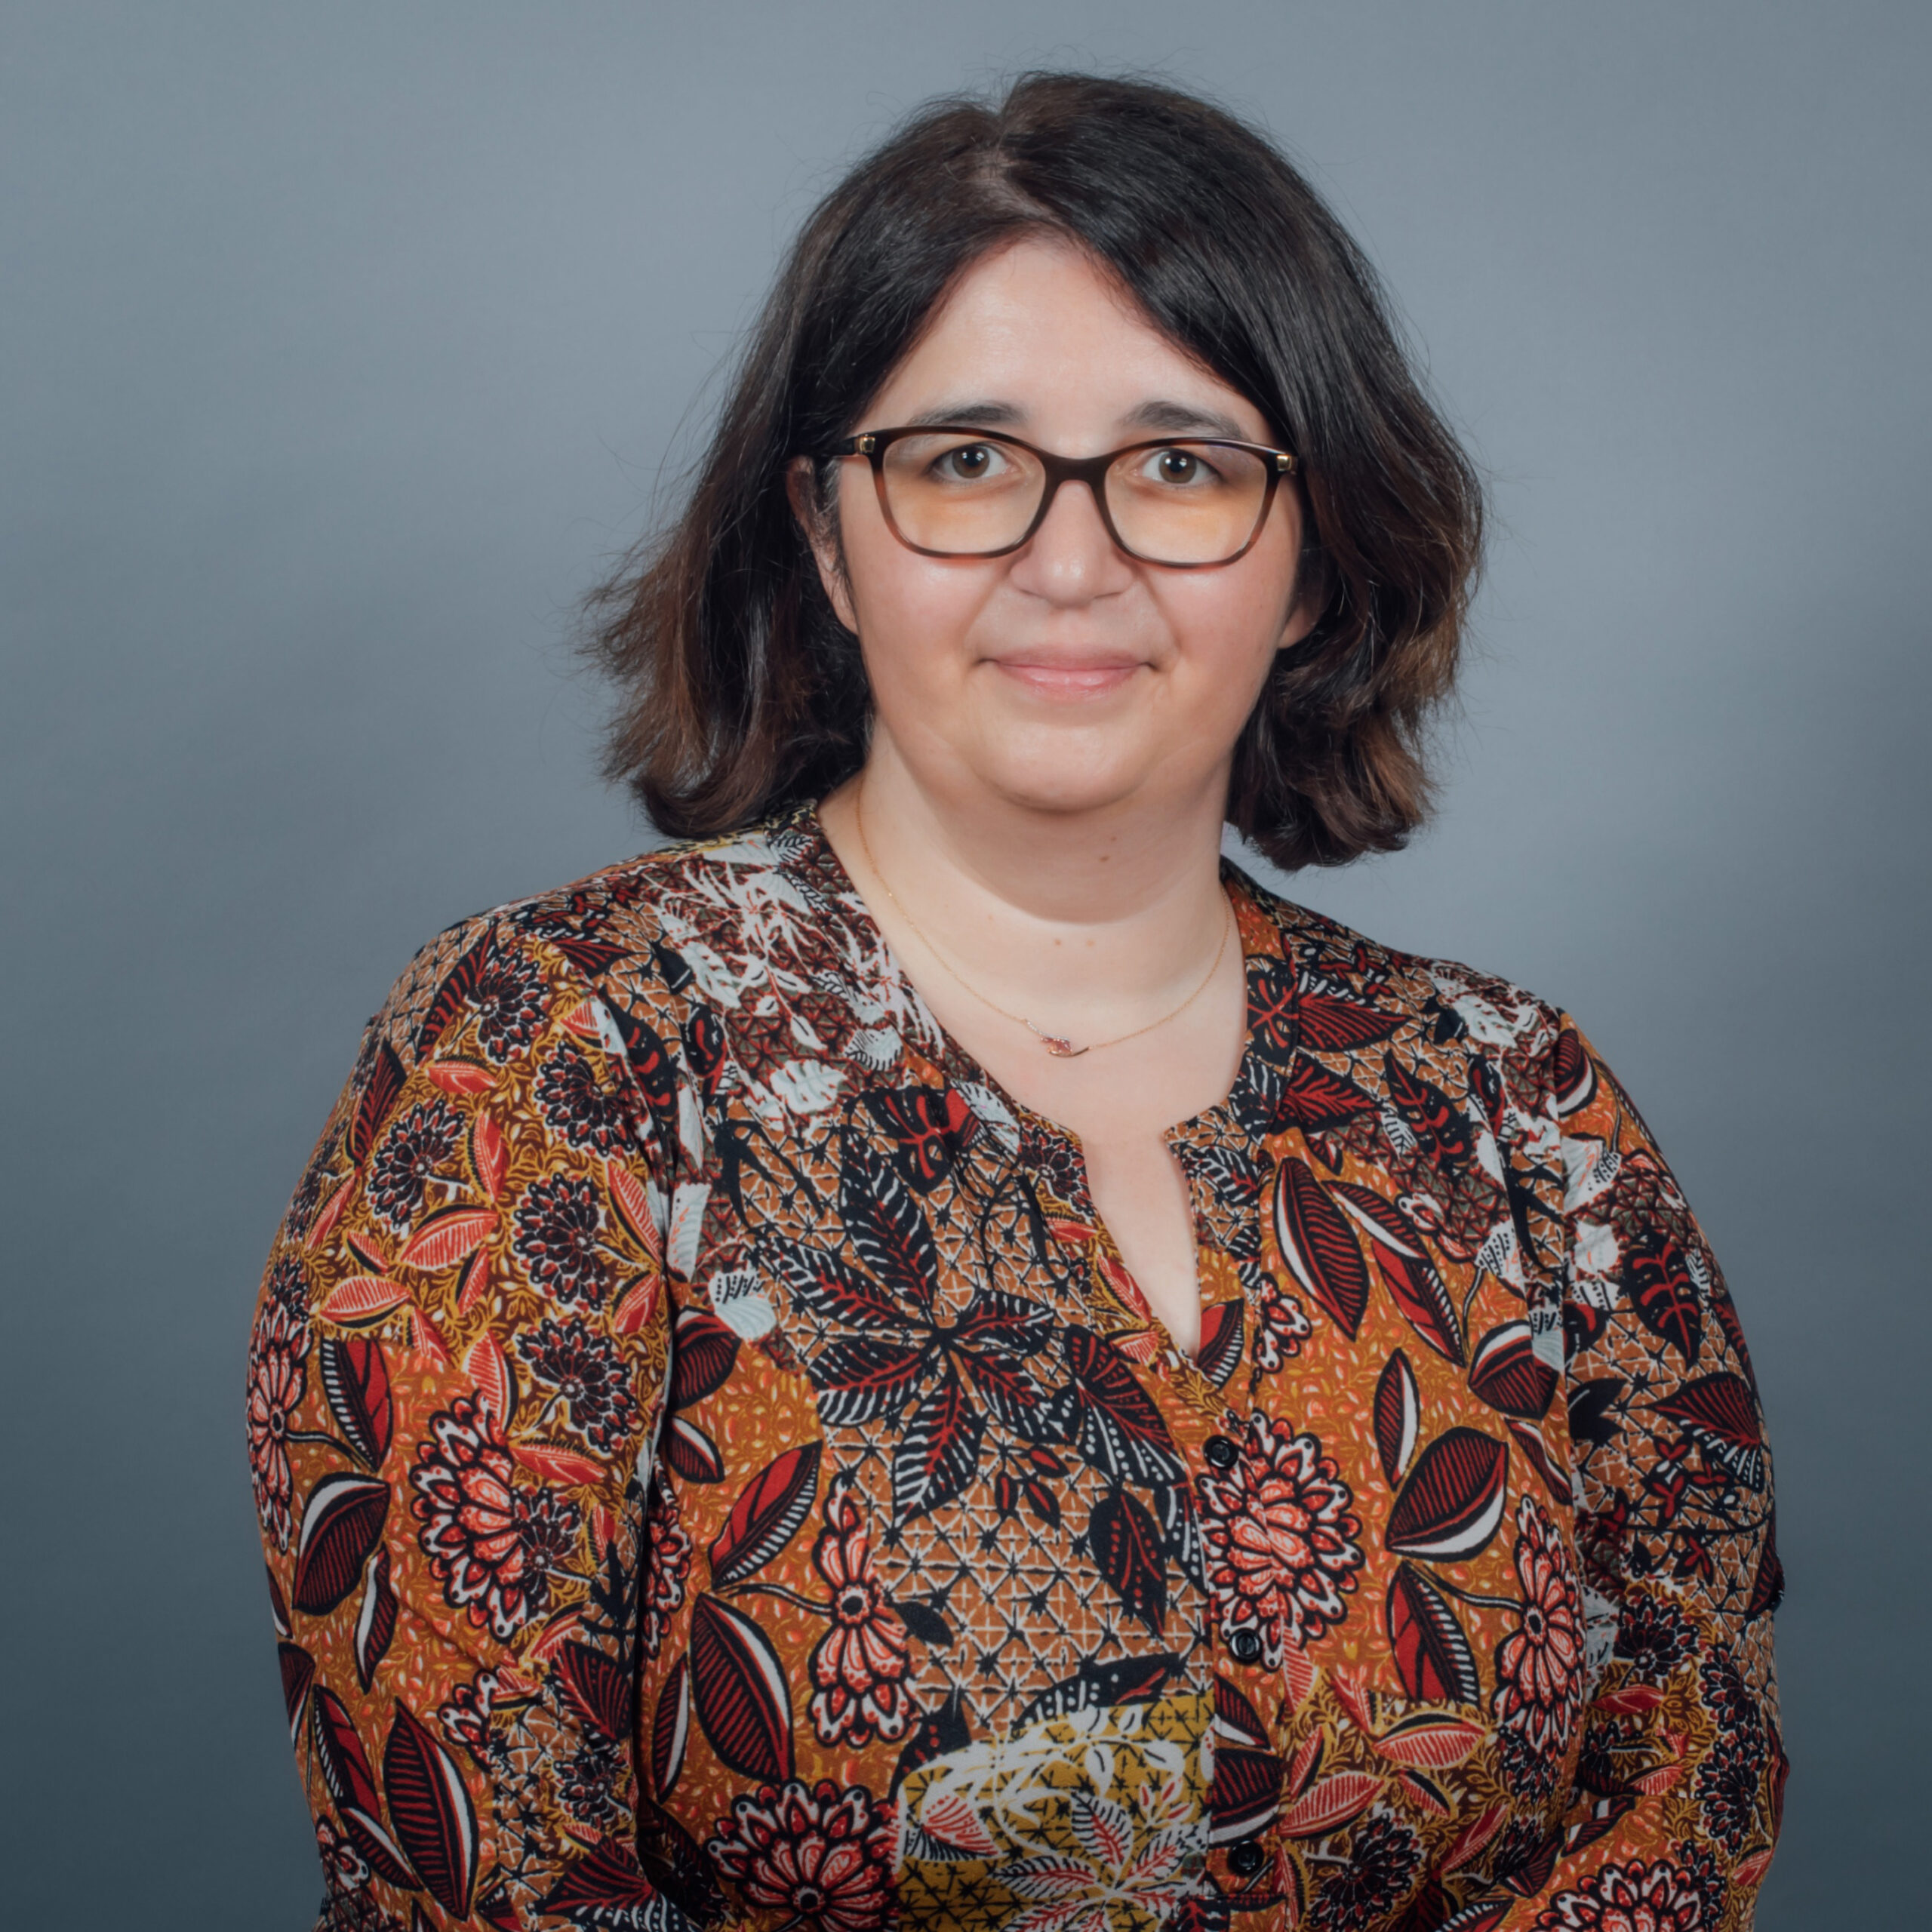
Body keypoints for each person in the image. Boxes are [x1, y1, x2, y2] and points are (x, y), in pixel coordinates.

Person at [248, 72, 1783, 1932]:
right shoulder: (563, 1059)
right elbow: (481, 1873)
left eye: (1180, 466)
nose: (1070, 564)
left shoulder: (1514, 1105)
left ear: (1313, 558)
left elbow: (1683, 1774)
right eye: (966, 461)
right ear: (826, 534)